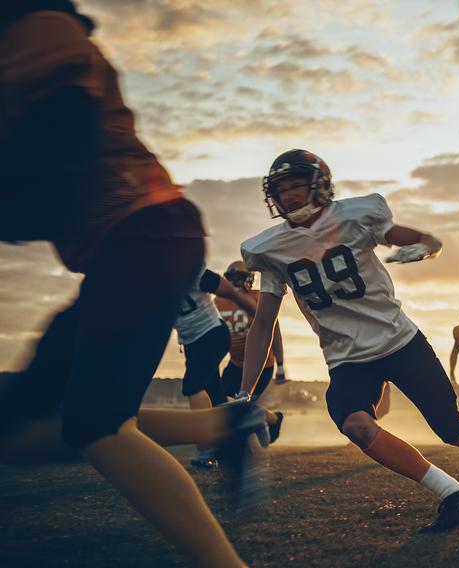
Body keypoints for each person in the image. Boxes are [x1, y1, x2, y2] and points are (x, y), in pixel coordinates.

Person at [0, 3, 259, 565]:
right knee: (23, 425)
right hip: (134, 246)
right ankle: (223, 423)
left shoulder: (36, 32)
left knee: (96, 423)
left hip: (143, 237)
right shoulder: (31, 34)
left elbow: (59, 147)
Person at [238, 149, 459, 532]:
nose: (290, 195)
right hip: (346, 357)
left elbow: (423, 238)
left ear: (321, 185)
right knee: (356, 426)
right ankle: (454, 495)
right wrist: (244, 393)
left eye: (297, 184)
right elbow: (263, 322)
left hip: (399, 342)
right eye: (281, 189)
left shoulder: (356, 216)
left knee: (452, 429)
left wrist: (427, 246)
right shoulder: (270, 248)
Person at [174, 265, 261, 468]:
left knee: (192, 387)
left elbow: (232, 293)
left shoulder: (190, 270)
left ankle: (206, 450)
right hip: (191, 342)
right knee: (217, 395)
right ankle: (247, 419)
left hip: (212, 334)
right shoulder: (151, 281)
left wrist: (260, 316)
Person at [216, 260, 288, 397]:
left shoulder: (258, 296)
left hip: (261, 366)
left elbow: (273, 330)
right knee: (223, 402)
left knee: (244, 403)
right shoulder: (218, 301)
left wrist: (280, 364)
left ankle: (270, 418)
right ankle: (270, 418)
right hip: (236, 363)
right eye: (237, 277)